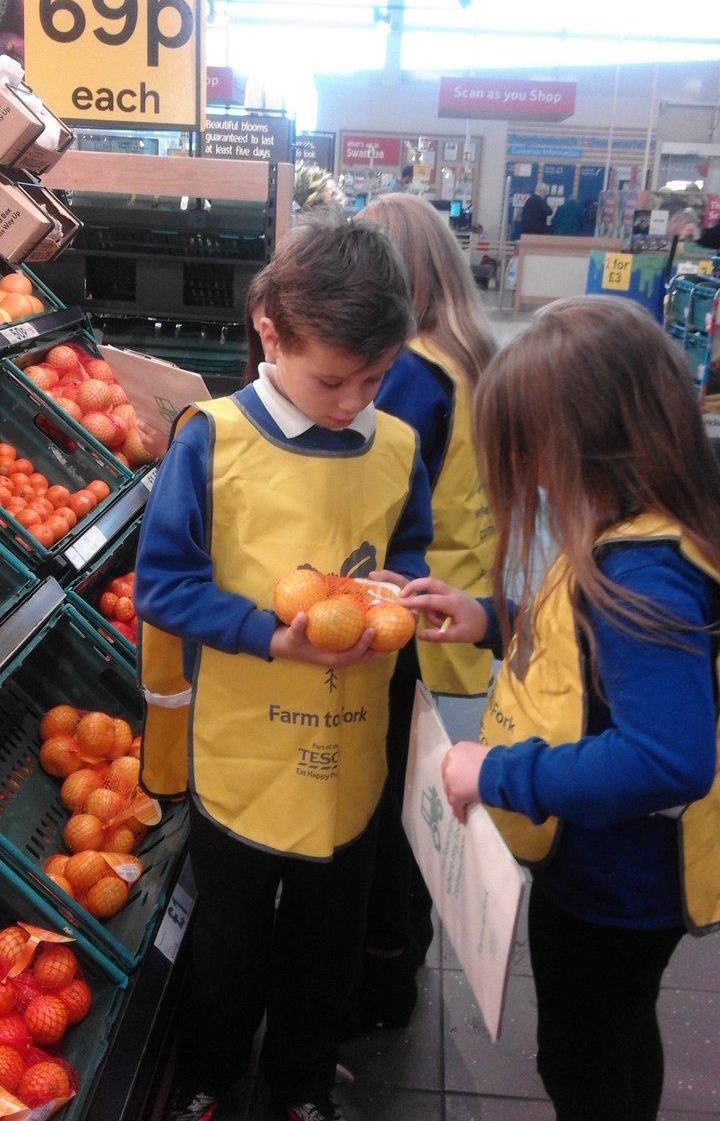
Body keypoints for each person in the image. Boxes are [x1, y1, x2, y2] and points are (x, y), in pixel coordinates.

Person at [134, 217, 433, 1121]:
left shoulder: (396, 448)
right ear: (271, 332)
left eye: (375, 379)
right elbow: (164, 586)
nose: (353, 401)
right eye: (333, 379)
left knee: (328, 939)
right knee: (227, 936)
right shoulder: (212, 441)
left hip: (351, 757)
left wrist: (401, 593)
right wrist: (271, 634)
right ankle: (211, 1070)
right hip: (244, 754)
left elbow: (409, 554)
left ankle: (304, 1076)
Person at [398, 294, 720, 1121]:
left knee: (586, 1058)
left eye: (532, 451)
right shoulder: (638, 531)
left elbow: (666, 755)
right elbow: (587, 656)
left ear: (591, 443)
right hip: (602, 864)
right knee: (605, 1038)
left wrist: (499, 771)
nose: (529, 474)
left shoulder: (642, 575)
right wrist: (489, 617)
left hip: (619, 884)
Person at [348, 192, 497, 1032]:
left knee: (390, 836)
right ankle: (402, 968)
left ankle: (385, 985)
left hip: (412, 621)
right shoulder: (469, 356)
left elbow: (372, 492)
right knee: (418, 825)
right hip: (460, 617)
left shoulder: (405, 371)